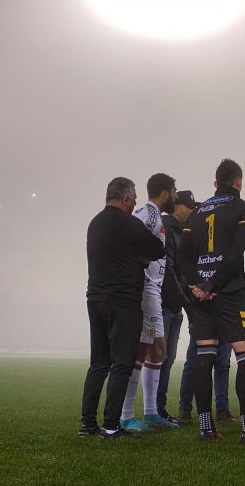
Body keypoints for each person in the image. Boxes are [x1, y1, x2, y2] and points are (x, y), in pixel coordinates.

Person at [177, 159, 245, 443]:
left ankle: (206, 428)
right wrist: (213, 283)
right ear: (239, 181)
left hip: (201, 297)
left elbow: (181, 258)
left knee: (204, 356)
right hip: (228, 293)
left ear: (216, 183)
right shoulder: (243, 208)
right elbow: (235, 252)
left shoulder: (196, 213)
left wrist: (197, 285)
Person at [80, 177, 165, 439]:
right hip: (123, 301)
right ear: (126, 199)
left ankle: (87, 424)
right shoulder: (129, 224)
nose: (136, 202)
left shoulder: (94, 223)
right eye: (134, 198)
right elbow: (158, 248)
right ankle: (111, 425)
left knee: (98, 363)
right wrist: (139, 257)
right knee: (122, 363)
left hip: (95, 299)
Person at [120, 174, 180, 431]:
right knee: (150, 350)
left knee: (152, 351)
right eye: (174, 191)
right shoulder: (150, 215)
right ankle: (128, 416)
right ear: (165, 193)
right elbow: (128, 239)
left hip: (151, 290)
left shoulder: (152, 215)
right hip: (146, 290)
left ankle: (150, 413)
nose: (176, 196)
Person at [172, 190, 235, 425]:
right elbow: (185, 269)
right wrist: (196, 296)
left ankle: (221, 409)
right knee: (196, 360)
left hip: (221, 298)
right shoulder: (188, 236)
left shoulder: (209, 234)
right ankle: (186, 409)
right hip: (200, 302)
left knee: (221, 361)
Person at [156, 191, 187, 424]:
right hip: (166, 304)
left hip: (173, 306)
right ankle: (154, 410)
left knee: (167, 358)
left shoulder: (180, 232)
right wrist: (185, 298)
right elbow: (169, 271)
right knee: (159, 358)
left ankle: (159, 409)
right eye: (190, 206)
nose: (193, 211)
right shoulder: (167, 230)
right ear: (178, 208)